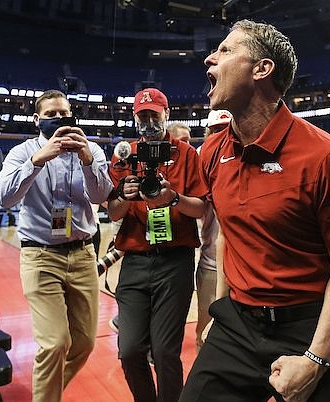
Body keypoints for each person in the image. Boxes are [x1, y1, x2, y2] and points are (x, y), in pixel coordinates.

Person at [180, 20, 330, 402]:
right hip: (237, 323)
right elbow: (229, 239)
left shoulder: (325, 156)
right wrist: (219, 313)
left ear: (262, 70)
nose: (210, 58)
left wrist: (315, 360)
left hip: (308, 327)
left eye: (226, 50)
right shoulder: (214, 152)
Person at [0, 89, 113, 401]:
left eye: (64, 113)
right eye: (51, 114)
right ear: (37, 120)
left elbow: (102, 198)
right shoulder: (22, 152)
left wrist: (87, 160)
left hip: (84, 254)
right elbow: (3, 199)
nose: (59, 119)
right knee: (56, 342)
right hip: (41, 256)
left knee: (84, 343)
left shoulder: (92, 151)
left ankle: (46, 393)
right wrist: (37, 160)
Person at [107, 87, 207, 402]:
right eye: (142, 115)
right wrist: (125, 194)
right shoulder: (125, 154)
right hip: (135, 261)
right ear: (134, 116)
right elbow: (113, 213)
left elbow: (202, 209)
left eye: (154, 114)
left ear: (166, 114)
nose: (148, 121)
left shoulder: (186, 153)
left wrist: (172, 198)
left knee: (165, 352)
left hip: (174, 261)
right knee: (130, 349)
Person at [194, 109, 231, 352]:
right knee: (206, 333)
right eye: (215, 129)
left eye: (225, 129)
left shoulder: (249, 153)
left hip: (248, 268)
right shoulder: (201, 157)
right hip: (211, 262)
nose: (221, 134)